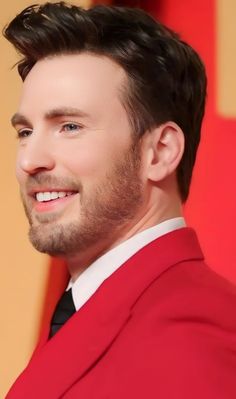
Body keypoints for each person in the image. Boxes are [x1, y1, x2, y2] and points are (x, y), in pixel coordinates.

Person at [3, 2, 236, 398]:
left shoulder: (190, 338)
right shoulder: (98, 309)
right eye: (25, 132)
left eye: (69, 126)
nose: (29, 160)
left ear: (160, 152)